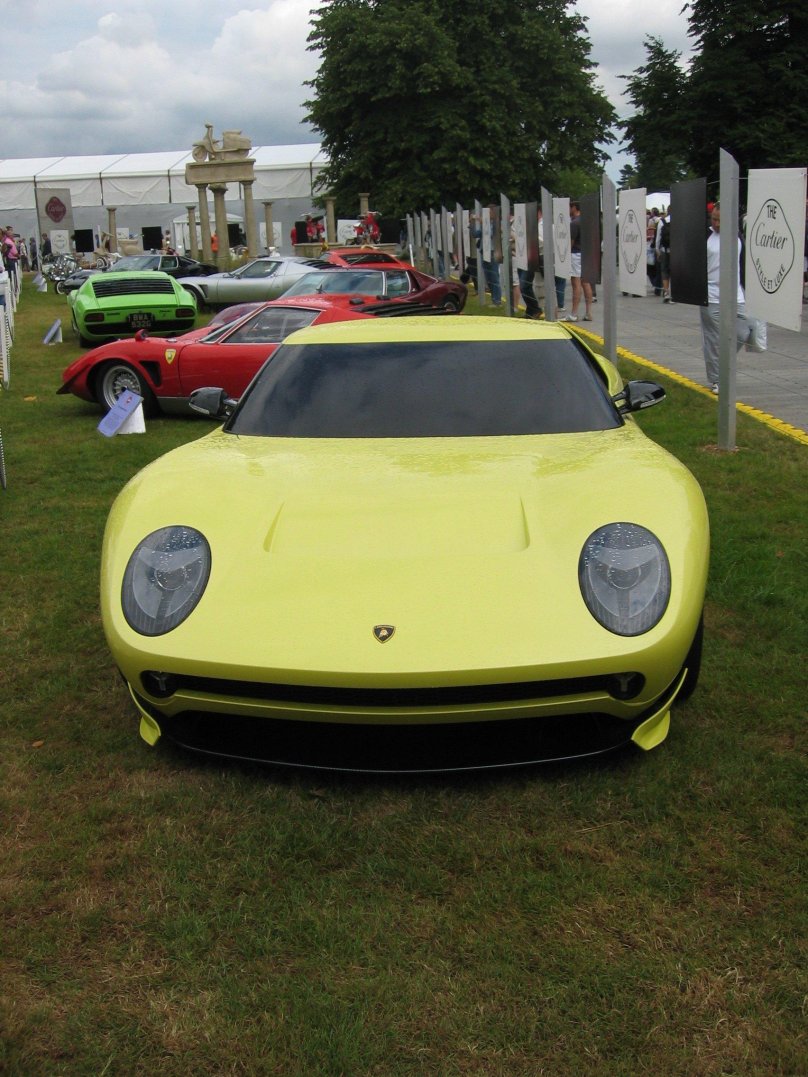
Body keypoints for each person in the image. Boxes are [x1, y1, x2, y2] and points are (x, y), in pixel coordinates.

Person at [699, 205, 750, 394]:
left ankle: (723, 365)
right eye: (714, 219)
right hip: (711, 295)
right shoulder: (706, 237)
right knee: (714, 338)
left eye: (720, 219)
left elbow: (743, 264)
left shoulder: (738, 238)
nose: (716, 223)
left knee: (742, 333)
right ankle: (716, 379)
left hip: (735, 295)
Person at [564, 201, 592, 322]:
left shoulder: (574, 223)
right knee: (586, 283)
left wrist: (565, 258)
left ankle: (574, 313)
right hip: (586, 254)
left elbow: (571, 242)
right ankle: (588, 312)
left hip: (575, 254)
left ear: (574, 208)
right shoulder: (587, 222)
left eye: (569, 207)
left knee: (576, 283)